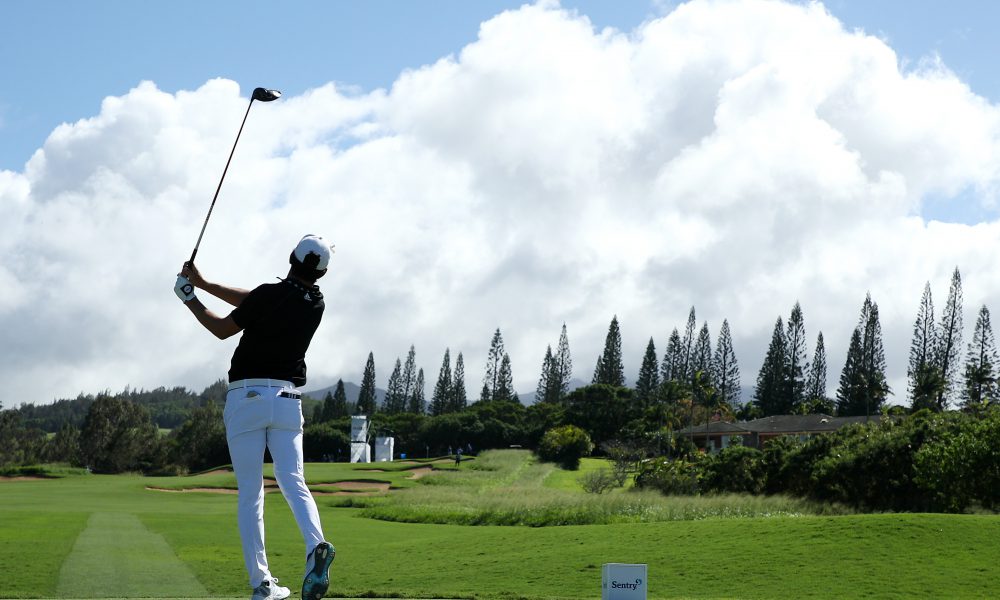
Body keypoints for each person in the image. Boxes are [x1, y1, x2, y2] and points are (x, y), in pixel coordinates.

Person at [174, 235, 337, 600]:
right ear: (322, 273)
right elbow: (256, 301)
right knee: (294, 479)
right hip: (288, 402)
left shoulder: (268, 295)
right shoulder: (316, 303)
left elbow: (222, 329)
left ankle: (262, 584)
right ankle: (316, 546)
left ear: (290, 257)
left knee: (251, 493)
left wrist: (190, 298)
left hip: (247, 399)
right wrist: (205, 282)